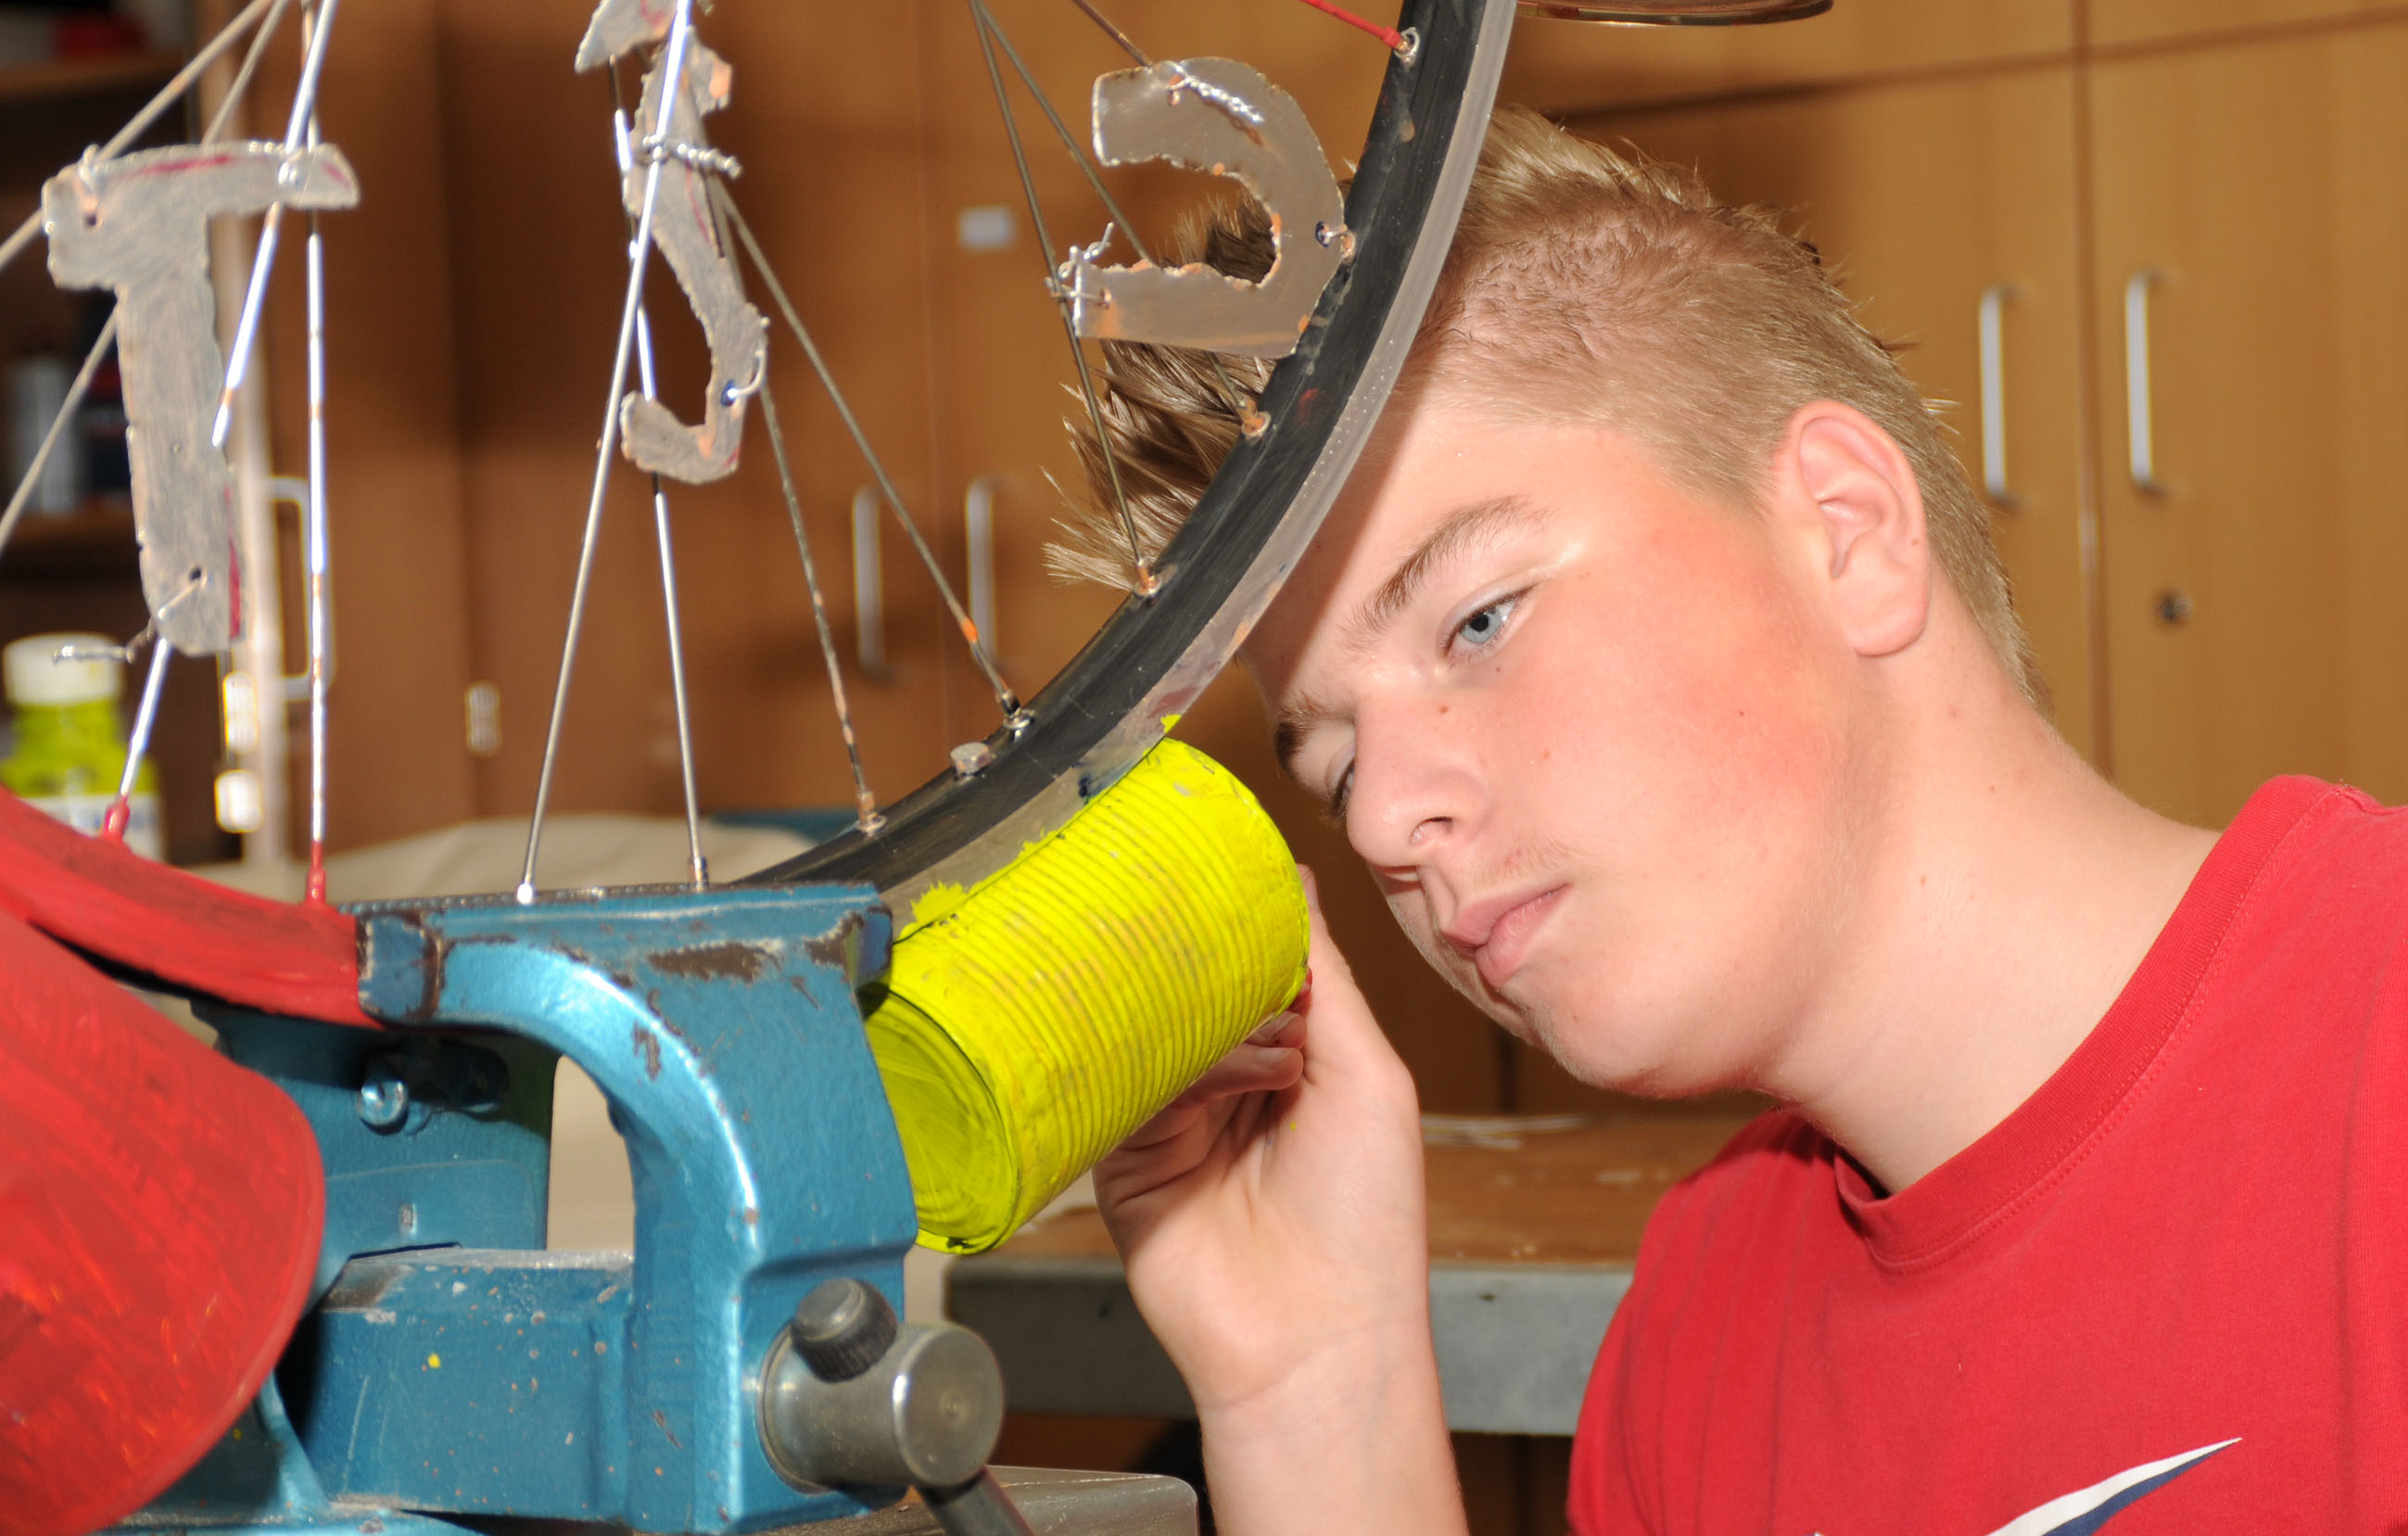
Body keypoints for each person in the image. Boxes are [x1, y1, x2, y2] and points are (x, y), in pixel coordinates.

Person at [1051, 106, 2408, 1534]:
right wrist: (1317, 1387)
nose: (1384, 816)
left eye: (1478, 620)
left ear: (1845, 531)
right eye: (1333, 767)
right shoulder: (1696, 1332)